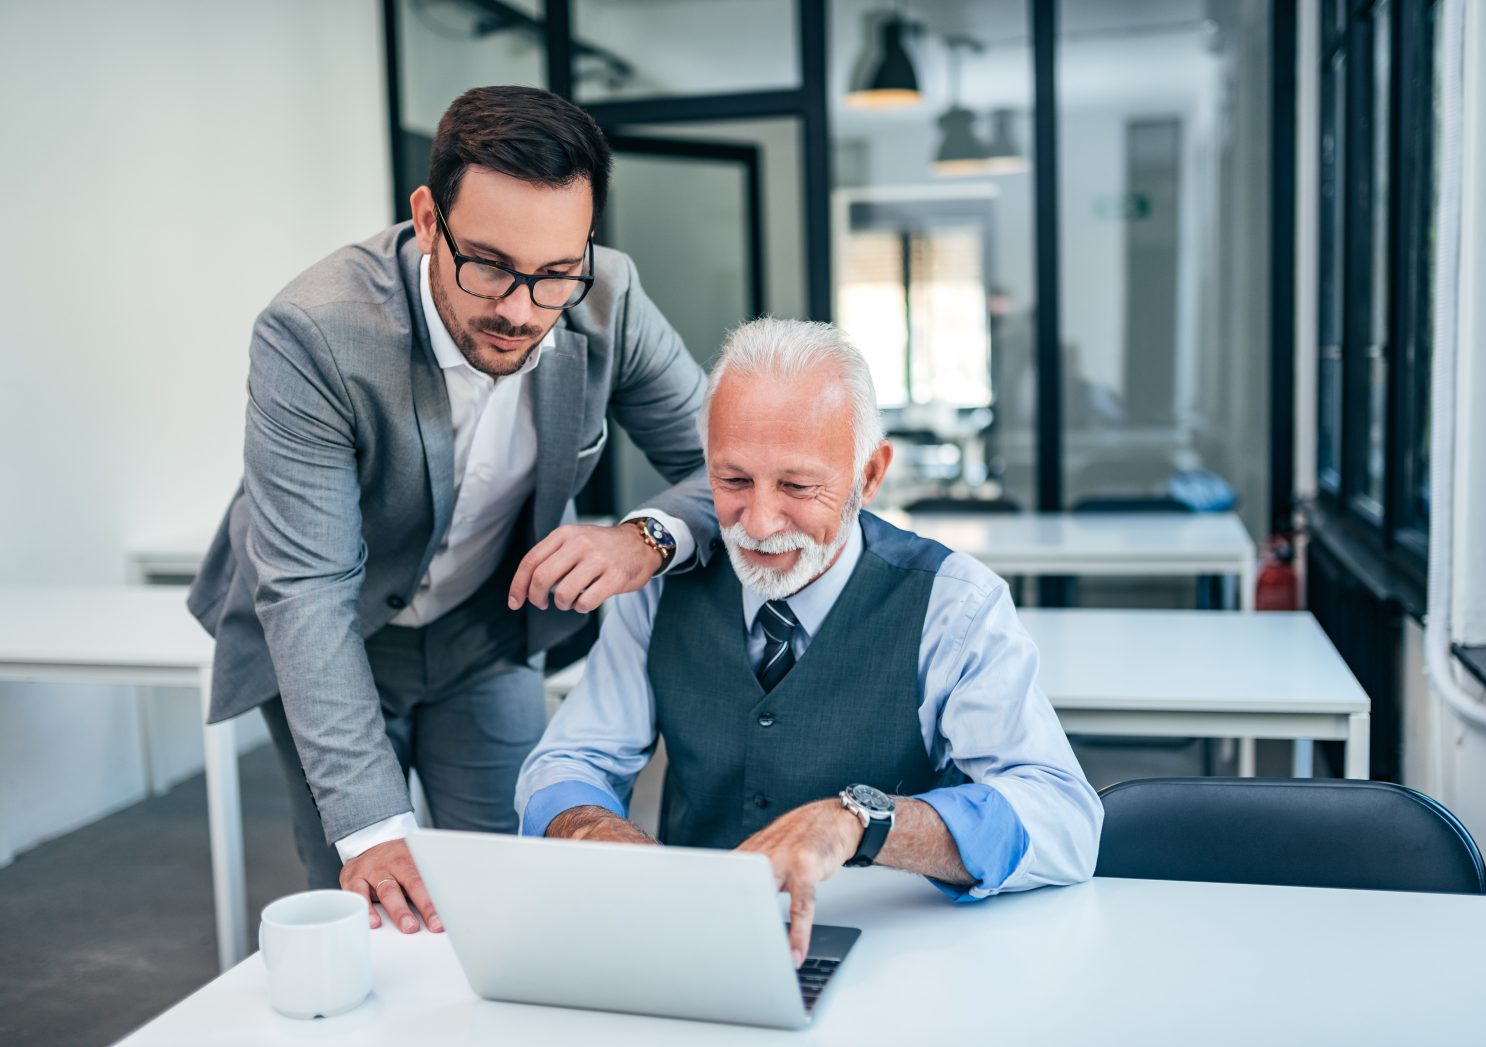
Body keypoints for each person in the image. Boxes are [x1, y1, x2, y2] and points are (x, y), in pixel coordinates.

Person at [187, 85, 716, 935]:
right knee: (369, 896)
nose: (520, 308)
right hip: (336, 632)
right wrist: (377, 832)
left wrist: (646, 536)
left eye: (553, 274)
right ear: (428, 219)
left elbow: (718, 464)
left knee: (512, 883)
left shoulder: (609, 295)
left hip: (483, 629)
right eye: (491, 265)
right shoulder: (313, 333)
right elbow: (311, 593)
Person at [516, 317, 1102, 968]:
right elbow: (566, 763)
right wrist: (598, 832)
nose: (760, 522)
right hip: (698, 951)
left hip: (904, 960)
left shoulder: (954, 603)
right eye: (733, 480)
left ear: (869, 474)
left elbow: (1065, 819)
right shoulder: (657, 593)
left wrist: (864, 820)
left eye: (797, 486)